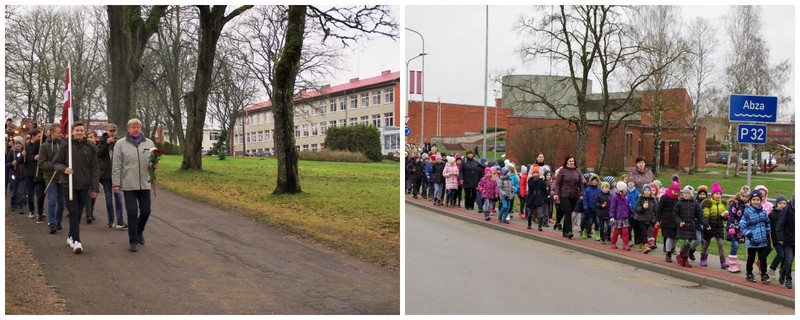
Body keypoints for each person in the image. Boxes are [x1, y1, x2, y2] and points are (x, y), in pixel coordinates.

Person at [53, 121, 99, 254]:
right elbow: (56, 163)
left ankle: (71, 236)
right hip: (69, 184)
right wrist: (64, 169)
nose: (79, 132)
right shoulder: (65, 146)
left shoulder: (90, 148)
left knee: (78, 213)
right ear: (72, 131)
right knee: (72, 212)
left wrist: (95, 188)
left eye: (81, 130)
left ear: (83, 132)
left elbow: (95, 169)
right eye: (76, 130)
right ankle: (77, 241)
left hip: (84, 185)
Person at [112, 118, 158, 252]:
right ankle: (133, 240)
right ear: (128, 129)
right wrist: (116, 183)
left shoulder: (149, 143)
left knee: (146, 211)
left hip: (144, 183)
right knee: (132, 212)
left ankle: (139, 230)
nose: (135, 129)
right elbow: (116, 165)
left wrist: (153, 166)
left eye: (138, 127)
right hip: (129, 184)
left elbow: (152, 161)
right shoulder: (121, 144)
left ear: (141, 128)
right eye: (133, 127)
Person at [740, 190, 772, 283]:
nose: (756, 201)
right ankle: (749, 273)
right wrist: (749, 234)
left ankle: (764, 274)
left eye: (758, 199)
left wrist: (767, 233)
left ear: (760, 200)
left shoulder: (763, 211)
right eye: (754, 199)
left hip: (762, 240)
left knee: (763, 258)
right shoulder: (747, 212)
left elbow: (767, 223)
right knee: (751, 258)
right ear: (750, 200)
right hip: (752, 240)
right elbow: (742, 225)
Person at [98, 123, 126, 229]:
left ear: (116, 131)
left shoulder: (119, 142)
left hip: (117, 174)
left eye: (114, 131)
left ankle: (120, 220)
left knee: (118, 197)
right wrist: (106, 143)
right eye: (111, 131)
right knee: (108, 197)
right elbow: (98, 154)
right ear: (107, 130)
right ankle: (110, 220)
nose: (112, 133)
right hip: (105, 174)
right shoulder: (101, 141)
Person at [39, 124, 65, 234]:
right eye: (58, 132)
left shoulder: (64, 145)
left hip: (62, 177)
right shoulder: (44, 146)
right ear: (52, 132)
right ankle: (52, 223)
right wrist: (54, 166)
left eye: (61, 132)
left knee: (61, 202)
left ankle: (58, 221)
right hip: (50, 177)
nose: (60, 134)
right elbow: (41, 163)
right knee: (52, 200)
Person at [673, 185, 706, 268]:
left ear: (691, 194)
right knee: (687, 242)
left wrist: (706, 224)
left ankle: (685, 259)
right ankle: (681, 255)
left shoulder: (695, 204)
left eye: (688, 193)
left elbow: (699, 215)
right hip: (683, 226)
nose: (686, 194)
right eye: (684, 193)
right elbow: (675, 214)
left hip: (691, 226)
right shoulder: (679, 203)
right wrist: (679, 221)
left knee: (688, 244)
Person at [699, 182, 730, 268]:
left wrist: (725, 216)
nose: (718, 195)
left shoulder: (722, 204)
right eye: (716, 194)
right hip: (709, 227)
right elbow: (705, 215)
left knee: (720, 244)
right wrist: (706, 225)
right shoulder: (708, 204)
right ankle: (703, 259)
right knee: (706, 244)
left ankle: (723, 261)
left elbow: (723, 218)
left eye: (720, 194)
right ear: (713, 194)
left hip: (719, 227)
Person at [552, 156, 583, 239]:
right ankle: (569, 231)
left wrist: (581, 194)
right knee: (568, 211)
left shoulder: (577, 171)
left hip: (574, 195)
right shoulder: (562, 171)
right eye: (570, 161)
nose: (571, 162)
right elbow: (558, 183)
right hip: (564, 195)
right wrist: (556, 193)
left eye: (573, 161)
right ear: (566, 162)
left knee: (568, 213)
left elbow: (581, 184)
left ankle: (564, 231)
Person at [656, 175, 681, 263]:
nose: (675, 193)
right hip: (666, 220)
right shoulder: (664, 198)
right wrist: (658, 220)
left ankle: (672, 247)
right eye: (674, 191)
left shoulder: (678, 199)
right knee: (670, 237)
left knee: (676, 237)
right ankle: (668, 253)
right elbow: (659, 209)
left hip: (676, 221)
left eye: (677, 192)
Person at [726, 185, 751, 273]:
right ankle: (732, 265)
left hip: (741, 229)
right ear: (740, 195)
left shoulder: (748, 206)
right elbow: (731, 215)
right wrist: (731, 226)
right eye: (743, 196)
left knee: (737, 246)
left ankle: (734, 262)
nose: (744, 198)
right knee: (735, 245)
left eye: (746, 197)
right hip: (733, 227)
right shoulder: (735, 203)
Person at [23, 128, 45, 222]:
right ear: (33, 137)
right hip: (29, 173)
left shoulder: (41, 145)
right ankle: (32, 210)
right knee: (31, 193)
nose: (40, 138)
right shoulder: (26, 146)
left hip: (38, 173)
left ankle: (40, 211)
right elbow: (25, 159)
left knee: (40, 194)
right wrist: (27, 156)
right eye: (38, 136)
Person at [775, 194, 794, 289]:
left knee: (790, 260)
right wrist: (780, 238)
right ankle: (788, 279)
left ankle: (783, 271)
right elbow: (780, 224)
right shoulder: (787, 208)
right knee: (789, 259)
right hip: (787, 239)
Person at [768, 194, 788, 277]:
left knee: (785, 256)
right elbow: (769, 226)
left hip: (786, 239)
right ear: (776, 204)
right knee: (781, 254)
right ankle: (772, 267)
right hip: (776, 239)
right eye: (780, 203)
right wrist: (769, 236)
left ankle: (782, 271)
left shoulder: (788, 214)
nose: (782, 205)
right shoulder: (772, 215)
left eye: (784, 203)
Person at [634, 184, 656, 254]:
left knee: (643, 232)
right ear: (643, 191)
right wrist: (643, 207)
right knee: (643, 232)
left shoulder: (653, 200)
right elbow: (637, 209)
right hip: (641, 219)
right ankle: (646, 245)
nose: (647, 192)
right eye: (645, 190)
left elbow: (656, 209)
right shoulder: (640, 199)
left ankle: (639, 244)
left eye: (648, 190)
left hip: (649, 219)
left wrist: (657, 218)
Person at [689, 185, 709, 261]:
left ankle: (704, 256)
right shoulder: (695, 201)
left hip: (705, 225)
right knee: (698, 239)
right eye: (701, 194)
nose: (702, 196)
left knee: (704, 241)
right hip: (697, 224)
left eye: (704, 194)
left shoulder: (708, 203)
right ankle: (691, 250)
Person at [82, 130, 98, 224]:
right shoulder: (84, 148)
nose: (90, 139)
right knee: (88, 195)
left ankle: (91, 211)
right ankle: (88, 214)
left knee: (93, 194)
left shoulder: (97, 148)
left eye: (91, 137)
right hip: (86, 174)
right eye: (88, 137)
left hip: (95, 174)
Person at [526, 164, 547, 231]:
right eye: (534, 173)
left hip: (539, 198)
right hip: (532, 199)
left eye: (536, 173)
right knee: (530, 213)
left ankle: (540, 226)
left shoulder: (541, 181)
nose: (535, 174)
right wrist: (535, 180)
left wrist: (546, 196)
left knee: (540, 212)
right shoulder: (530, 180)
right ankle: (529, 224)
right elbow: (531, 187)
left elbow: (544, 190)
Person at [8, 136, 26, 213]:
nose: (18, 145)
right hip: (14, 174)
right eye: (17, 144)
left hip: (23, 175)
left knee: (21, 192)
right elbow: (7, 164)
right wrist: (12, 163)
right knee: (14, 191)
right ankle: (13, 203)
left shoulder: (25, 152)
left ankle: (21, 207)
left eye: (20, 144)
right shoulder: (12, 152)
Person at [582, 174, 601, 240]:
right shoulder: (588, 189)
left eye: (596, 180)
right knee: (589, 222)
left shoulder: (599, 190)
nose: (594, 182)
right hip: (590, 209)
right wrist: (585, 207)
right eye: (593, 180)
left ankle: (596, 235)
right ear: (591, 181)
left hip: (597, 209)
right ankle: (585, 231)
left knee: (597, 222)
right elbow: (585, 199)